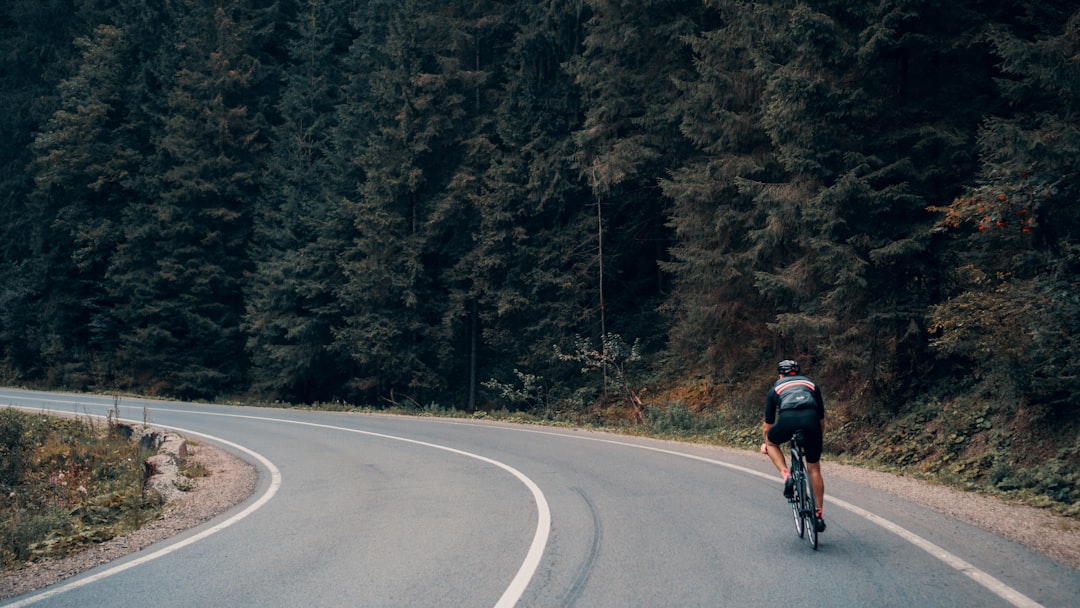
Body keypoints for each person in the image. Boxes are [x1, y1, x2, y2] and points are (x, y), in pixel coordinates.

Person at [761, 359, 827, 532]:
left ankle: (786, 475)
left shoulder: (775, 389)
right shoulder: (811, 385)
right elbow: (821, 420)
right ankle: (819, 513)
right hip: (812, 422)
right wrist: (816, 437)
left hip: (787, 419)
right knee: (814, 469)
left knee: (771, 441)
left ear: (780, 374)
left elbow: (768, 426)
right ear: (798, 372)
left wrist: (765, 443)